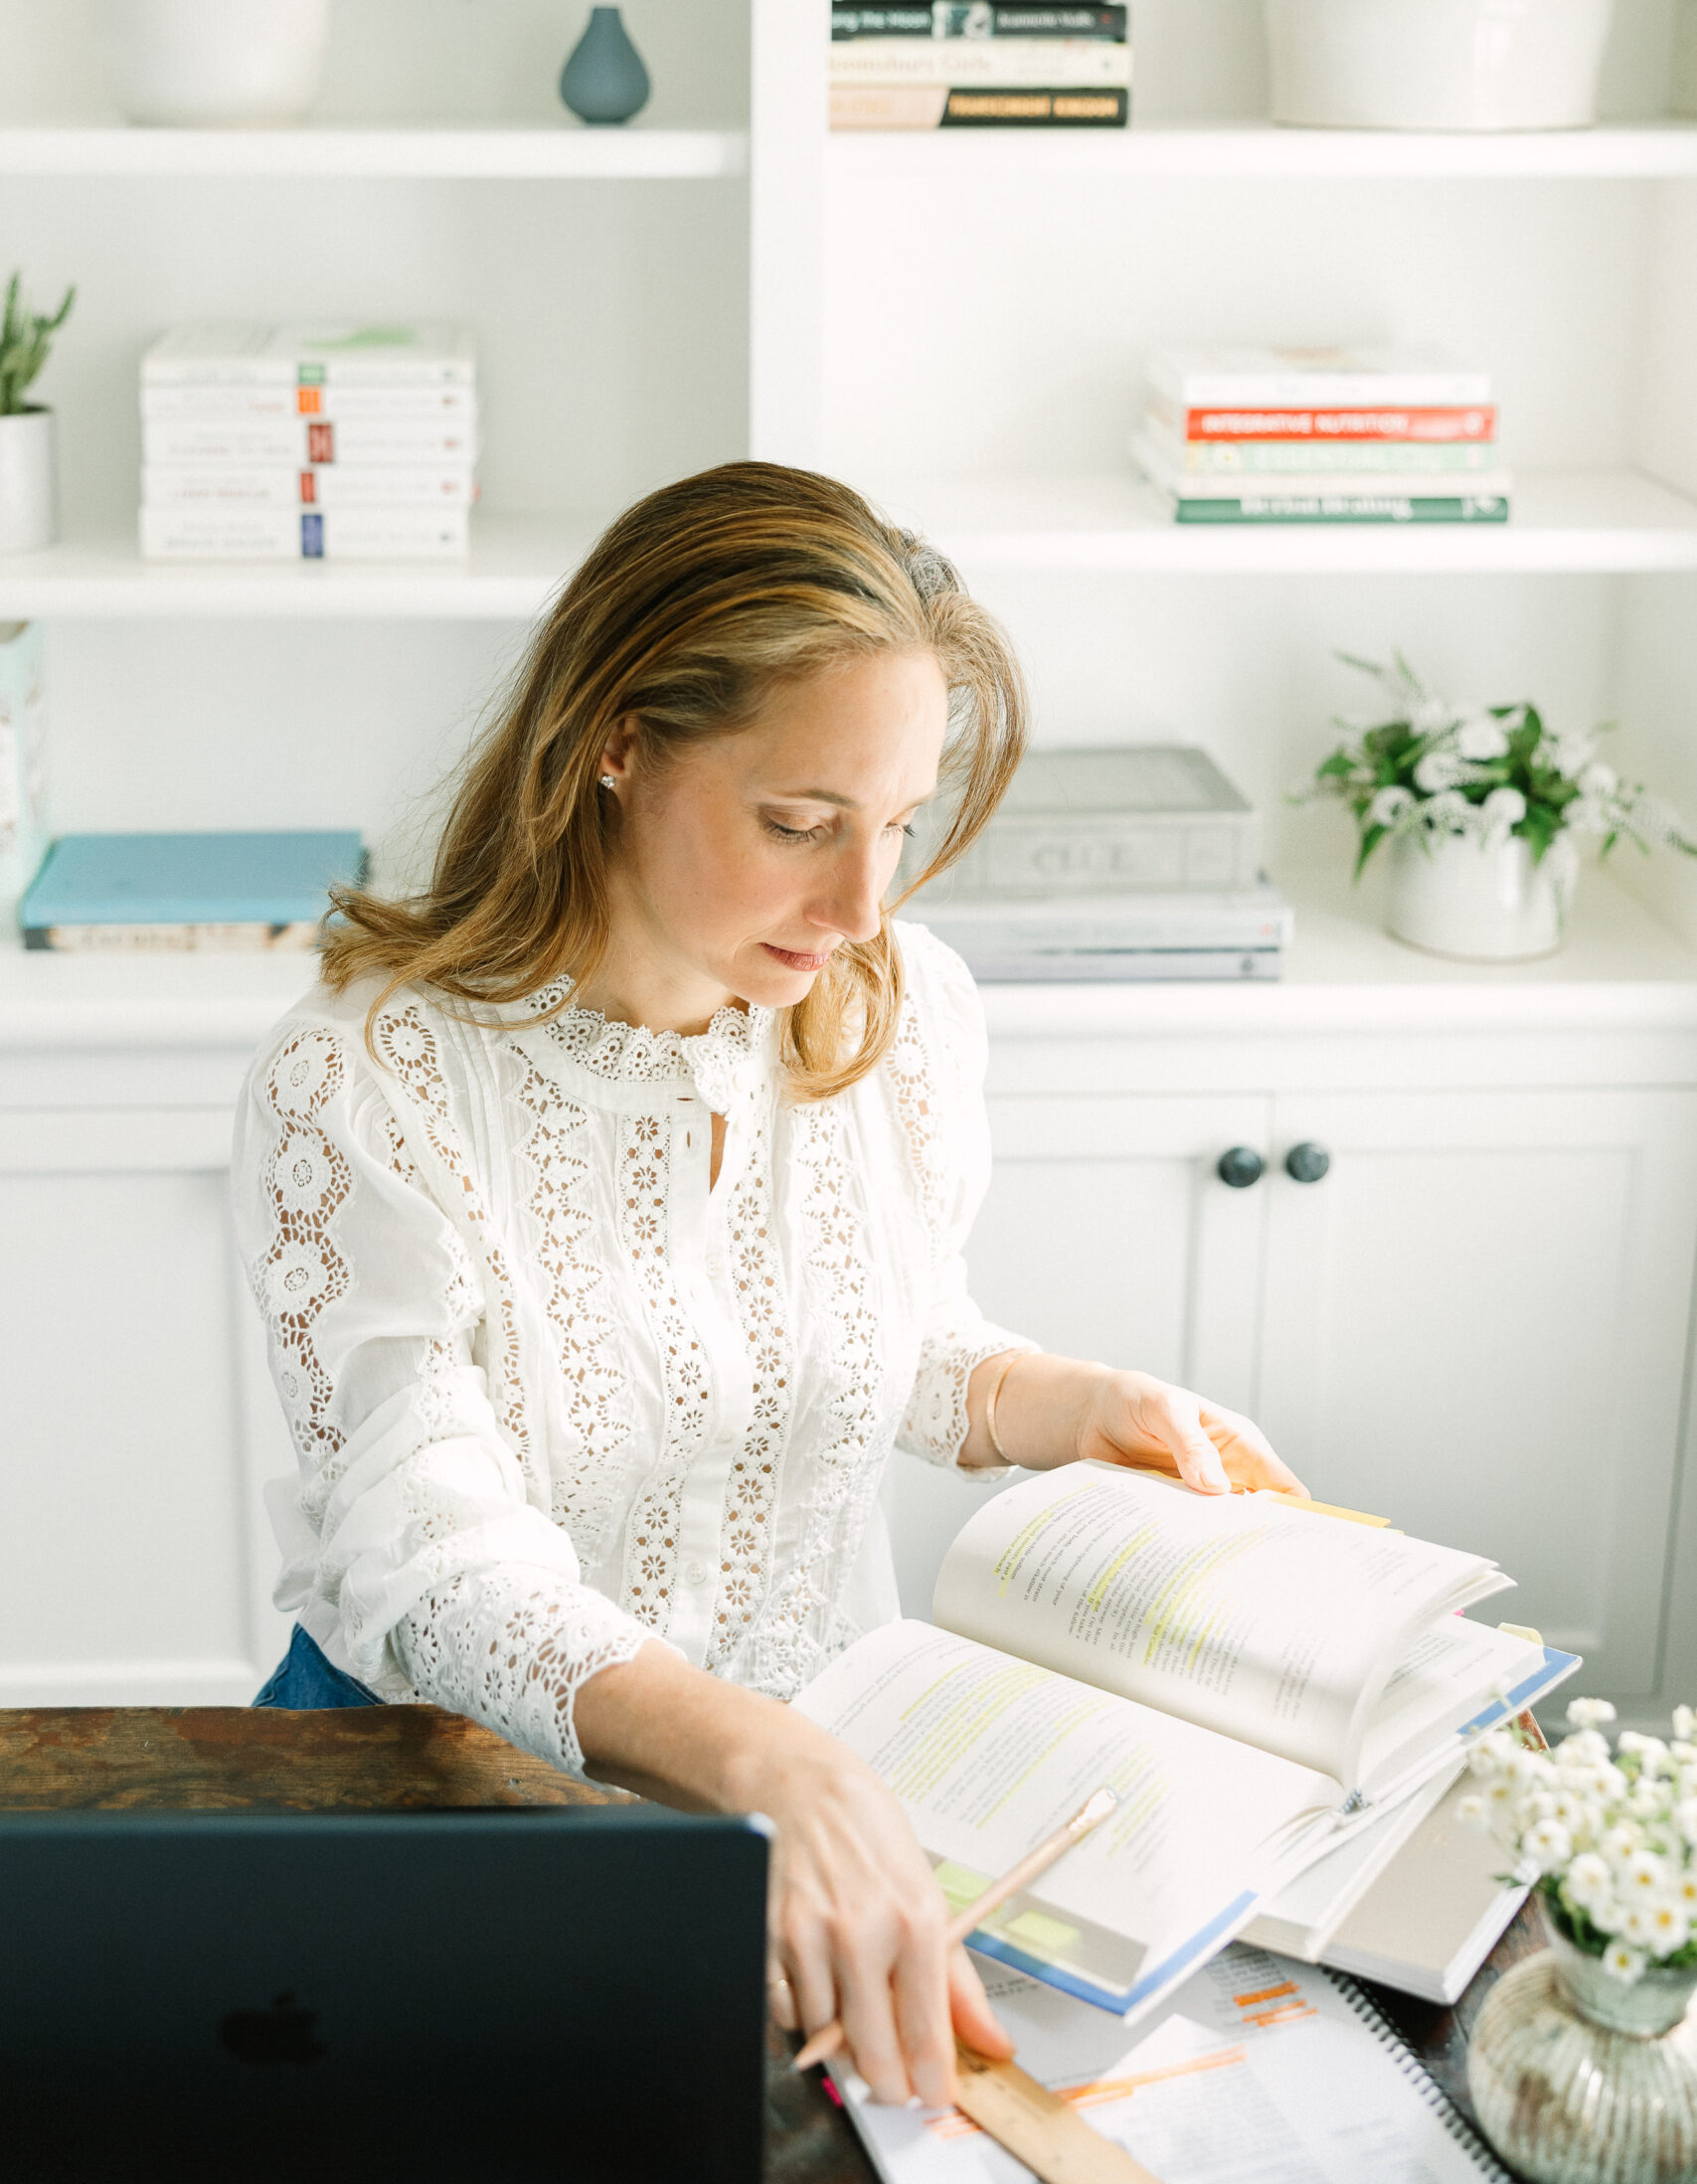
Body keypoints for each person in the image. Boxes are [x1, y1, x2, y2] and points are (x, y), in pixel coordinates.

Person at [234, 462, 1304, 2109]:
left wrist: (1057, 1404)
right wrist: (766, 1760)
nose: (864, 903)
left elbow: (879, 1334)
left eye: (897, 826)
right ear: (613, 736)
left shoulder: (895, 1006)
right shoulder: (368, 1080)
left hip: (816, 1781)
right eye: (801, 824)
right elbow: (423, 1548)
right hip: (445, 1791)